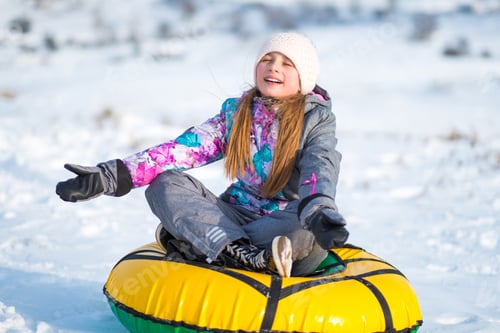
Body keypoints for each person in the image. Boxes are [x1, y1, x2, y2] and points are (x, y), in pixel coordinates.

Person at [56, 32, 348, 278]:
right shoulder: (236, 113)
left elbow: (320, 165)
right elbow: (181, 150)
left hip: (281, 221)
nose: (274, 67)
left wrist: (320, 212)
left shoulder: (316, 120)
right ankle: (239, 253)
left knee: (302, 231)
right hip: (234, 215)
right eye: (267, 59)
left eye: (287, 63)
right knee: (165, 184)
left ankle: (202, 242)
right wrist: (109, 176)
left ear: (304, 78)